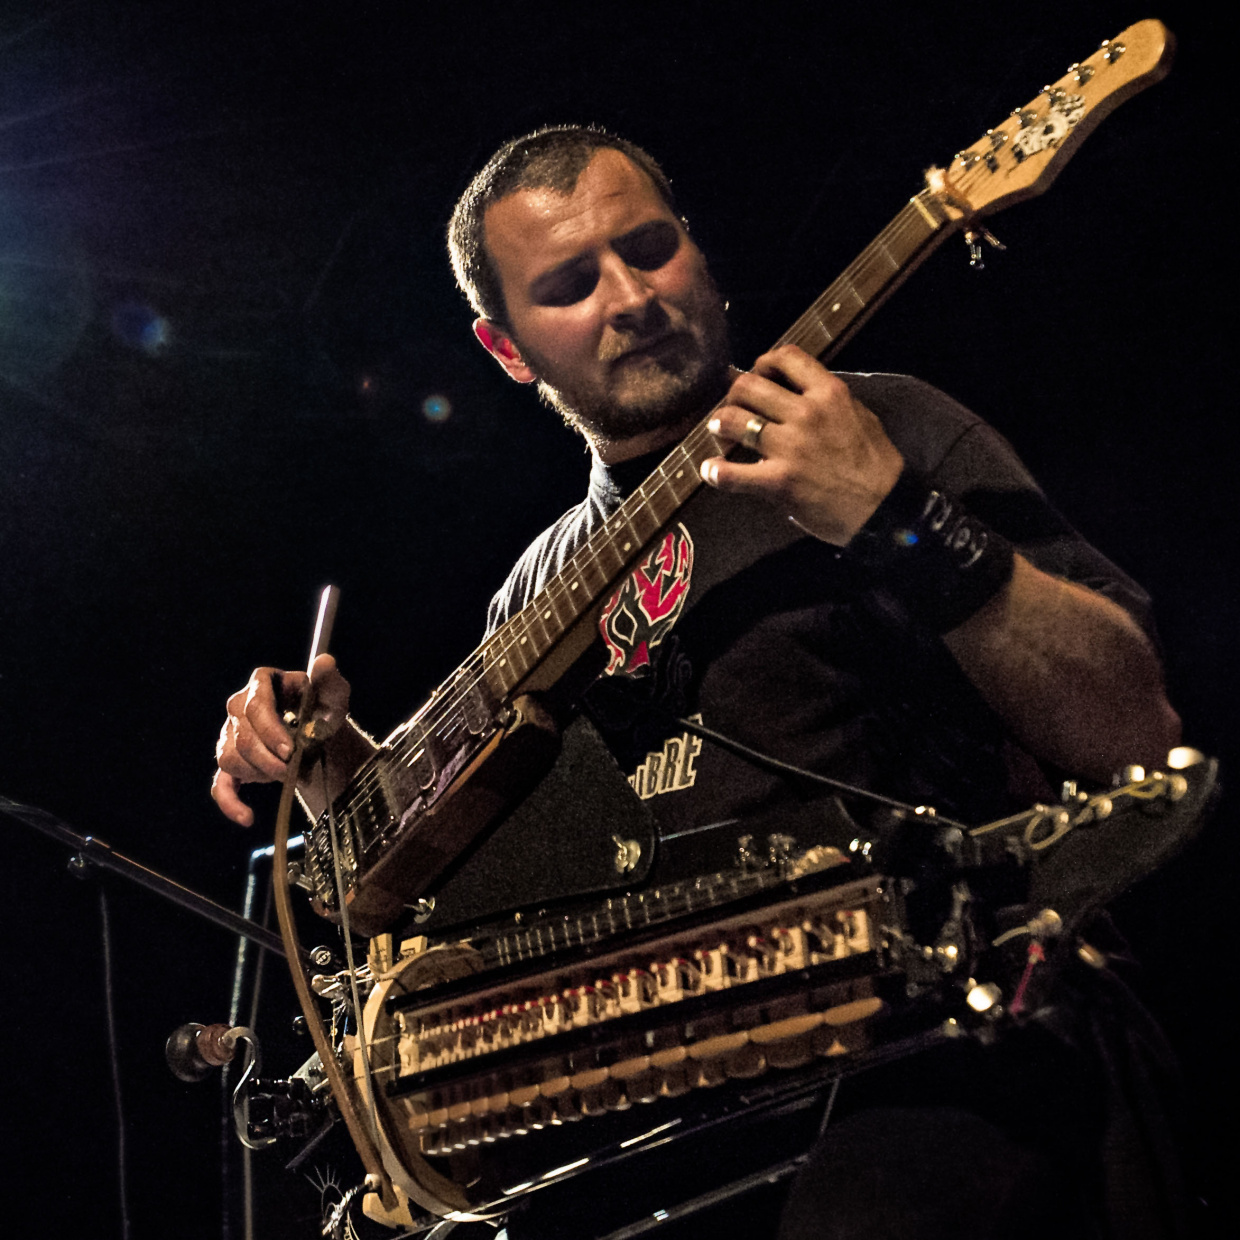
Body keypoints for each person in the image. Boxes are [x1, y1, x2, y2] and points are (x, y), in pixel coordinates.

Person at [212, 128, 1189, 1238]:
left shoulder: (885, 426)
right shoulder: (534, 591)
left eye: (649, 247)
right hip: (661, 1113)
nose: (631, 296)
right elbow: (488, 891)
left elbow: (1132, 729)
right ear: (508, 350)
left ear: (698, 254)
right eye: (572, 283)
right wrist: (340, 770)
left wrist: (895, 521)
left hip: (947, 1044)